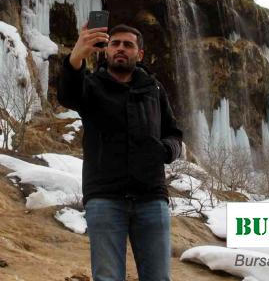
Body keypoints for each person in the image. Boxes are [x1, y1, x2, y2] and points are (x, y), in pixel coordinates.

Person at [57, 22, 183, 281]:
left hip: (151, 197)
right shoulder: (91, 86)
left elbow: (174, 134)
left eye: (128, 45)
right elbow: (68, 95)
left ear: (140, 54)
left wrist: (165, 151)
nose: (120, 49)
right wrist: (76, 57)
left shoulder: (154, 90)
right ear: (106, 50)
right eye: (115, 43)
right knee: (107, 277)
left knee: (159, 277)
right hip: (105, 197)